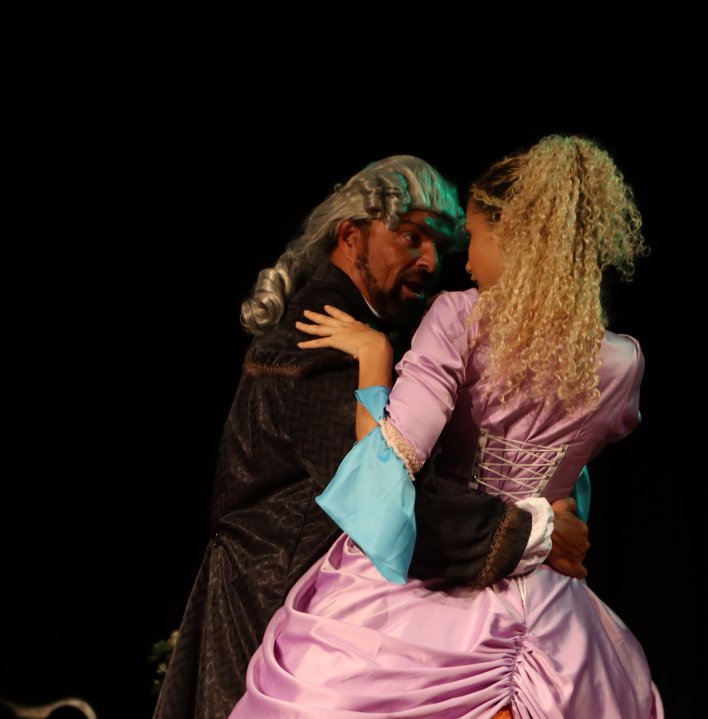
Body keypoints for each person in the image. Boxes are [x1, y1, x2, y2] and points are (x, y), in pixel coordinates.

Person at [232, 135, 662, 718]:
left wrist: (376, 360)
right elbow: (577, 477)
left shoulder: (458, 318)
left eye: (474, 237)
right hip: (554, 617)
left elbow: (383, 482)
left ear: (512, 239)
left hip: (429, 605)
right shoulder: (623, 362)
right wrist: (550, 511)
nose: (462, 262)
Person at [152, 155, 592, 719]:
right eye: (411, 237)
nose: (431, 262)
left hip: (315, 622)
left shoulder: (365, 335)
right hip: (277, 630)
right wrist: (533, 533)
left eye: (441, 247)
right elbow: (390, 505)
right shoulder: (322, 343)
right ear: (350, 236)